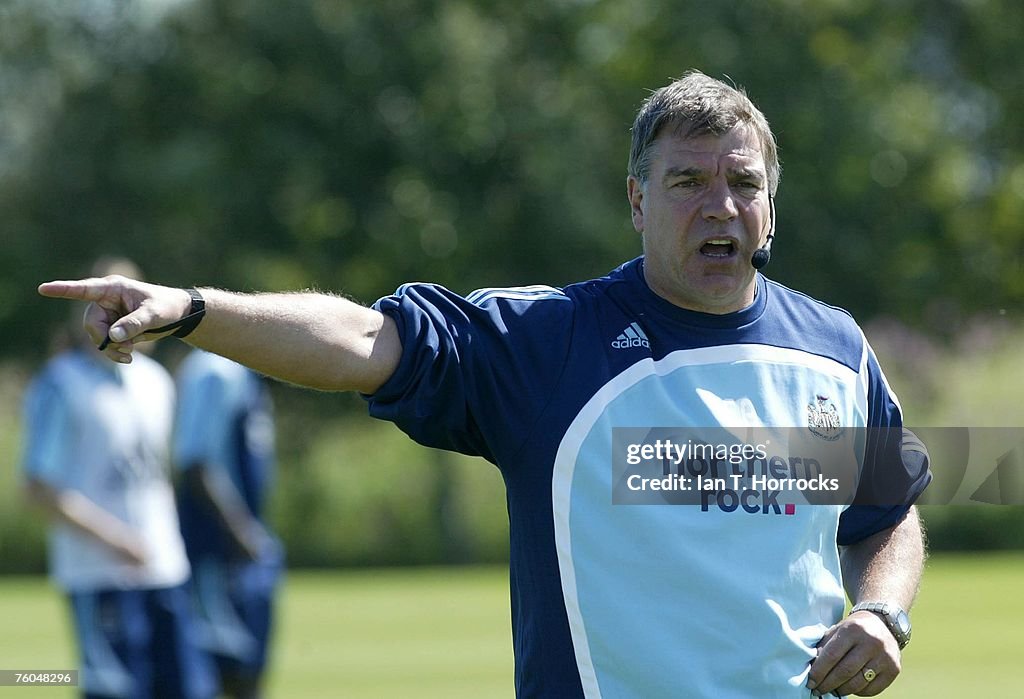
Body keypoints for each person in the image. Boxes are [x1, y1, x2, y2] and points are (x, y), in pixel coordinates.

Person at [38, 71, 931, 698]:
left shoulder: (831, 351)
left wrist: (885, 612)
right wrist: (194, 308)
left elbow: (884, 513)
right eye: (688, 182)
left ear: (770, 207)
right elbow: (361, 339)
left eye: (742, 184)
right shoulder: (551, 345)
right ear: (635, 200)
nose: (720, 206)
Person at [22, 257, 217, 699]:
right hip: (99, 574)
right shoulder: (61, 383)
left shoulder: (155, 381)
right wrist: (116, 539)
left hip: (164, 566)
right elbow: (38, 486)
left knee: (189, 689)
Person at [173, 349, 283, 699]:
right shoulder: (214, 372)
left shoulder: (244, 371)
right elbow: (196, 462)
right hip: (220, 553)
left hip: (244, 549)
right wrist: (241, 532)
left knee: (249, 672)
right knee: (225, 673)